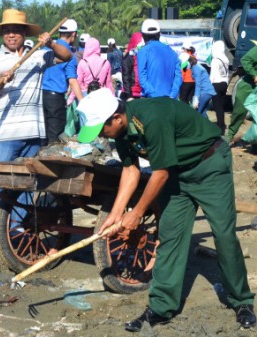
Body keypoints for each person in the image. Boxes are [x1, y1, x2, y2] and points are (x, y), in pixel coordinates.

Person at [76, 88, 256, 332]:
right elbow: (131, 171)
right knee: (171, 237)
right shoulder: (121, 130)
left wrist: (136, 213)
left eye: (100, 130)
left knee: (224, 235)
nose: (101, 136)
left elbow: (159, 174)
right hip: (176, 174)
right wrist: (117, 214)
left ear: (116, 118)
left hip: (209, 165)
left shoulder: (152, 118)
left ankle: (241, 301)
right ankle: (161, 307)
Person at [0, 8, 72, 256]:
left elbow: (67, 56)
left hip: (34, 131)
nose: (11, 34)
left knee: (28, 185)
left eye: (16, 30)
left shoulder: (38, 56)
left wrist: (50, 42)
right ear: (2, 35)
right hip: (5, 133)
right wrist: (2, 81)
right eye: (7, 31)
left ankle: (17, 228)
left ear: (24, 33)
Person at [41, 18, 83, 144]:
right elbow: (73, 80)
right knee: (55, 135)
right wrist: (82, 100)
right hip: (56, 98)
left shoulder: (44, 50)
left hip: (42, 96)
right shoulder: (68, 55)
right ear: (74, 34)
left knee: (44, 134)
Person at [137, 19, 182, 98]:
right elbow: (178, 78)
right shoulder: (173, 53)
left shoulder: (143, 51)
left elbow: (142, 78)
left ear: (143, 35)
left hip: (152, 101)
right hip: (170, 100)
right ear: (159, 34)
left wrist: (154, 94)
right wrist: (172, 95)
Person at [228, 45, 257, 143]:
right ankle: (230, 134)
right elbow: (245, 60)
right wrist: (254, 74)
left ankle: (254, 142)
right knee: (239, 110)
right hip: (249, 85)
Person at [183, 53, 216, 118]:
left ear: (188, 62)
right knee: (203, 113)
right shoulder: (195, 67)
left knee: (196, 113)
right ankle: (208, 127)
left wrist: (196, 98)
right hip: (207, 91)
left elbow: (198, 84)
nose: (185, 68)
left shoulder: (196, 68)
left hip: (205, 92)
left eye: (185, 66)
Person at [210, 40, 229, 135]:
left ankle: (220, 127)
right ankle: (222, 125)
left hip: (216, 84)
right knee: (221, 106)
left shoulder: (215, 59)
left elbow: (212, 75)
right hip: (224, 84)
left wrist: (209, 87)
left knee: (217, 107)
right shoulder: (225, 58)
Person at [120, 32, 143, 101]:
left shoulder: (144, 56)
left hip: (139, 93)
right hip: (132, 93)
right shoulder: (130, 57)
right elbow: (126, 76)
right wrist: (129, 95)